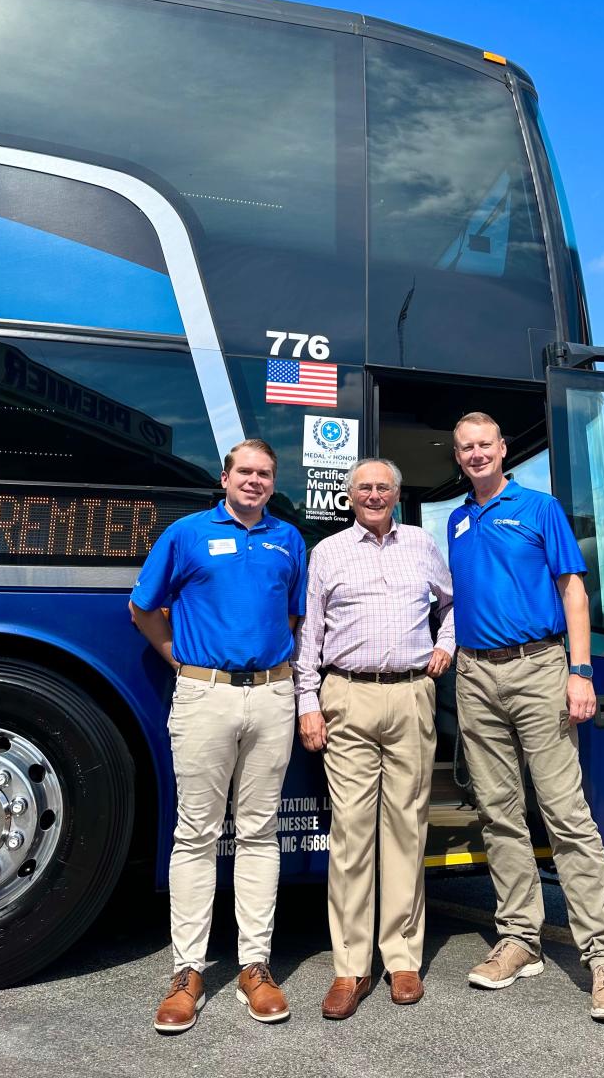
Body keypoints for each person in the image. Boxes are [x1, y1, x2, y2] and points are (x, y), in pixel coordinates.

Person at [447, 413, 604, 1023]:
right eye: (466, 448)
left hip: (539, 668)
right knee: (498, 813)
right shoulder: (454, 519)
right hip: (475, 675)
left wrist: (580, 673)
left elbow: (572, 590)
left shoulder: (539, 507)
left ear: (504, 450)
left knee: (564, 812)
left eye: (485, 445)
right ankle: (518, 939)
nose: (477, 454)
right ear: (458, 457)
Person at [130, 438, 306, 1034]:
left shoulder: (288, 539)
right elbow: (143, 607)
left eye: (265, 474)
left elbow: (292, 617)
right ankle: (188, 972)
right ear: (225, 478)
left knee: (259, 831)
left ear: (272, 482)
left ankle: (255, 965)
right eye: (245, 472)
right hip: (204, 695)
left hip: (273, 696)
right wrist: (174, 656)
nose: (254, 481)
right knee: (196, 833)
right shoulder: (186, 534)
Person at [293, 458, 454, 1020]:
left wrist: (447, 645)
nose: (374, 494)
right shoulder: (328, 553)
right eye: (364, 487)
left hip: (411, 693)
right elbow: (309, 634)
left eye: (384, 486)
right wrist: (307, 703)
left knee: (407, 829)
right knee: (352, 836)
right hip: (347, 698)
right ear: (349, 496)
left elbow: (451, 604)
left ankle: (403, 958)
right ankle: (351, 968)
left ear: (397, 493)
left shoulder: (422, 544)